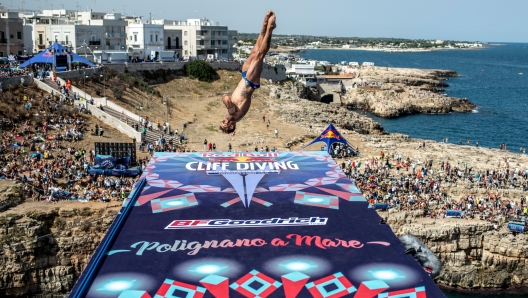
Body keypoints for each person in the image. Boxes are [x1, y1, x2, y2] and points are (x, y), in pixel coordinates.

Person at [220, 11, 276, 133]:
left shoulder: (230, 114)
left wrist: (226, 102)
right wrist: (227, 103)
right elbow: (227, 99)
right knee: (260, 54)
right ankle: (270, 29)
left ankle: (265, 24)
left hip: (244, 76)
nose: (223, 122)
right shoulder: (235, 116)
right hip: (250, 82)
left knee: (255, 50)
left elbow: (226, 98)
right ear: (231, 126)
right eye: (224, 125)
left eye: (221, 123)